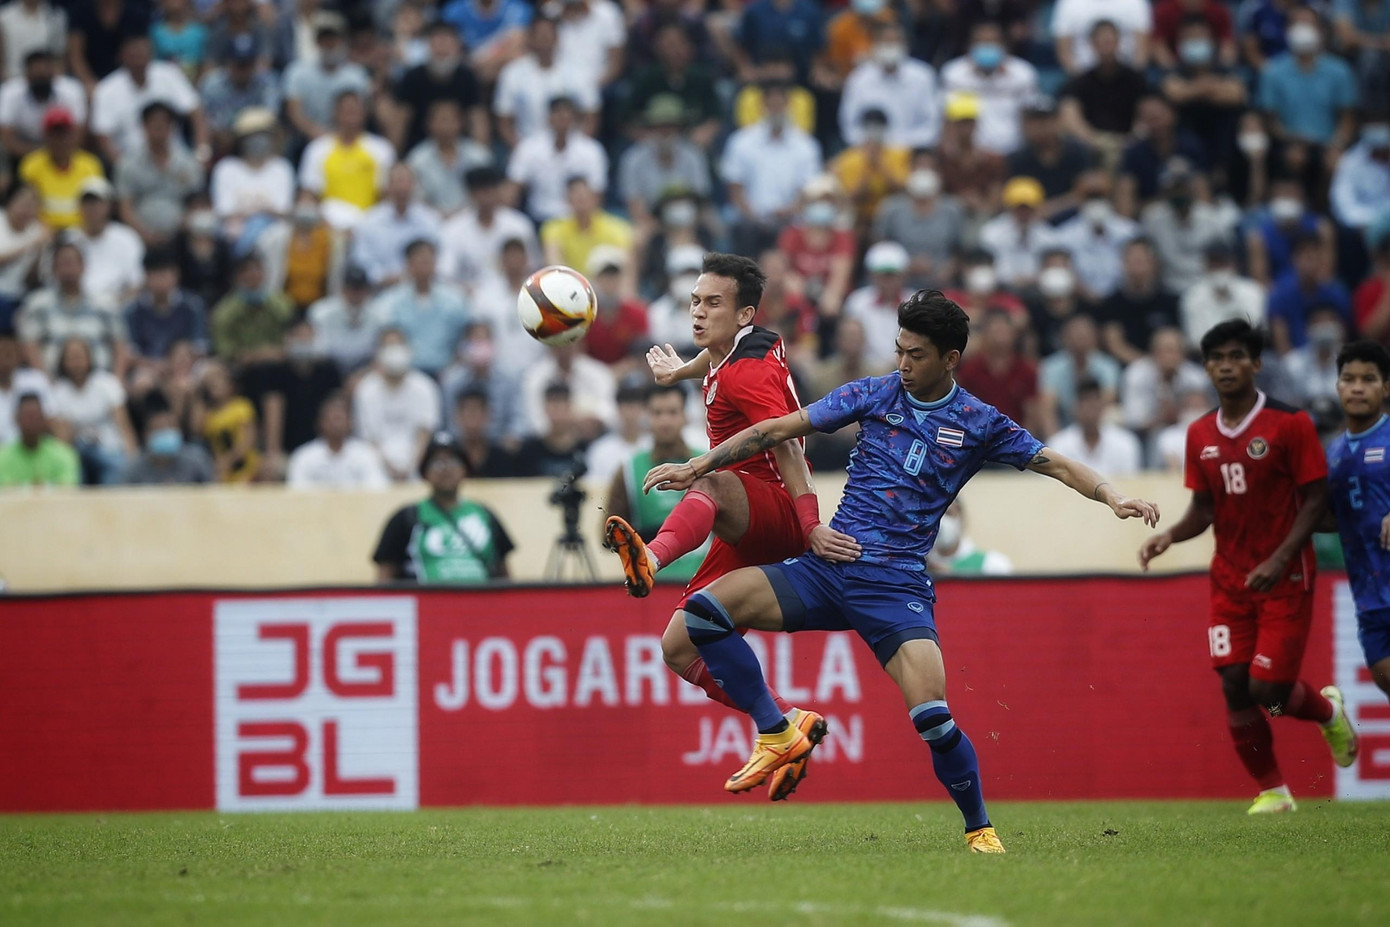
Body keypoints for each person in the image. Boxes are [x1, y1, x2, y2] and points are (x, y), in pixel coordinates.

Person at [640, 289, 1159, 849]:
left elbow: (1054, 462)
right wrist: (699, 465)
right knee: (704, 613)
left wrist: (1112, 495)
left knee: (933, 718)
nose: (904, 364)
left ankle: (980, 830)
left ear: (950, 359)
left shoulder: (978, 422)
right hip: (830, 566)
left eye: (916, 354)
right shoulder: (874, 392)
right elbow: (776, 430)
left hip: (896, 587)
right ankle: (777, 728)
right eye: (899, 350)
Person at [603, 252, 855, 803]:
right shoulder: (743, 347)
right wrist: (680, 371)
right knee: (678, 647)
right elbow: (715, 363)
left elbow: (786, 444)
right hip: (744, 517)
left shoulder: (748, 372)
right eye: (695, 301)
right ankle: (782, 726)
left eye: (712, 304)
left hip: (774, 509)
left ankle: (651, 557)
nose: (698, 311)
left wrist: (810, 524)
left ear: (742, 315)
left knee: (711, 479)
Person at [1138, 319, 1357, 813]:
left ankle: (1328, 713)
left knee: (1268, 689)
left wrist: (1280, 557)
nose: (1226, 366)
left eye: (1236, 356)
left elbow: (1315, 499)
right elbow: (1204, 509)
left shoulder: (1290, 424)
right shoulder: (1199, 433)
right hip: (1230, 580)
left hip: (1286, 576)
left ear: (1256, 363)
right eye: (1216, 358)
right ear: (1206, 368)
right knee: (1235, 683)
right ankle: (1273, 791)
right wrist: (1170, 536)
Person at [1323, 341, 1390, 702]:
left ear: (1386, 387)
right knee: (1384, 679)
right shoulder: (1333, 452)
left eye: (1369, 379)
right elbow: (1333, 517)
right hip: (1367, 595)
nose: (1358, 387)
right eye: (1349, 379)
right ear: (1338, 387)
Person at [373, 430, 514, 583]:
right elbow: (384, 579)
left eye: (453, 461)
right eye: (436, 462)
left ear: (464, 469)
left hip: (480, 599)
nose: (445, 468)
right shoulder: (406, 518)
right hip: (425, 599)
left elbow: (505, 577)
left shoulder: (485, 515)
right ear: (425, 473)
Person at [603, 383, 708, 583]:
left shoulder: (707, 463)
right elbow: (608, 533)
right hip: (650, 583)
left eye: (672, 412)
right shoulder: (628, 469)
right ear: (646, 417)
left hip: (703, 580)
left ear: (685, 416)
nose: (665, 421)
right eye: (657, 413)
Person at [938, 20, 1038, 156]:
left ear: (1004, 46)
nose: (987, 47)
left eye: (992, 42)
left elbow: (1029, 117)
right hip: (971, 154)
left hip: (1013, 151)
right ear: (970, 46)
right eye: (981, 42)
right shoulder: (954, 74)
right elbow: (949, 119)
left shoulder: (1023, 73)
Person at [354, 329, 441, 481]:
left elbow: (425, 432)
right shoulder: (366, 389)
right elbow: (369, 438)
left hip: (416, 461)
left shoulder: (425, 387)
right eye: (389, 346)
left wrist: (412, 468)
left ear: (408, 350)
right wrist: (389, 469)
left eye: (398, 345)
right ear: (378, 353)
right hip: (377, 463)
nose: (394, 351)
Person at [505, 95, 608, 223]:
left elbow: (597, 193)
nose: (562, 119)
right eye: (557, 115)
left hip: (576, 220)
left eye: (566, 116)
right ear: (548, 118)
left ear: (575, 119)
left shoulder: (591, 150)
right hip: (538, 218)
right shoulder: (528, 147)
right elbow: (513, 189)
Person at [48, 336, 135, 484]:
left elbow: (124, 426)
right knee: (73, 469)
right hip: (76, 452)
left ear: (89, 358)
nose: (76, 363)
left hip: (108, 449)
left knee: (117, 470)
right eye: (71, 358)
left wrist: (132, 458)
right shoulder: (57, 392)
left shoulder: (108, 383)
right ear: (63, 362)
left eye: (79, 357)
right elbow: (62, 441)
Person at [1098, 238, 1180, 364]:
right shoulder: (1112, 303)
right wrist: (1144, 365)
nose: (1136, 267)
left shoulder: (1169, 301)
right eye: (1132, 261)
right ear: (1123, 264)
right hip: (1127, 366)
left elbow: (1175, 340)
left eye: (1140, 261)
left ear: (1153, 264)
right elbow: (1115, 345)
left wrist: (1160, 363)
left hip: (1166, 364)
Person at [286, 391, 389, 489]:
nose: (335, 424)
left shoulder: (365, 454)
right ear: (320, 423)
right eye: (331, 419)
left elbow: (377, 488)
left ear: (350, 422)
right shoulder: (304, 456)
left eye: (339, 418)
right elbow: (296, 490)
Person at [1046, 377, 1142, 476]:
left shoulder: (1125, 443)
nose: (1090, 408)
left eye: (1094, 401)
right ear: (1075, 407)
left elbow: (1131, 482)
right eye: (1086, 402)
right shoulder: (1058, 445)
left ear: (1102, 405)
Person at [193, 359, 258, 483]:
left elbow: (249, 440)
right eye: (212, 383)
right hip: (223, 472)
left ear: (230, 385)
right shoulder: (209, 414)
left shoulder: (241, 406)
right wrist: (199, 394)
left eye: (221, 381)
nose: (216, 385)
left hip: (248, 468)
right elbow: (196, 429)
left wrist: (229, 459)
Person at [122, 398, 214, 485]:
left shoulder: (197, 460)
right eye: (159, 428)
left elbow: (212, 488)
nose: (165, 432)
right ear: (146, 435)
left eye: (170, 427)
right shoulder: (135, 467)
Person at [0, 391, 78, 486]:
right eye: (27, 417)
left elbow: (68, 487)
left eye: (35, 417)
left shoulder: (63, 454)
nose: (31, 422)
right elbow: (4, 489)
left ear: (44, 419)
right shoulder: (2, 457)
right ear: (17, 419)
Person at [926, 500, 1012, 576]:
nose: (941, 522)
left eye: (948, 513)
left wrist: (951, 577)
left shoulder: (992, 565)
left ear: (961, 518)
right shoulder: (921, 566)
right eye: (935, 515)